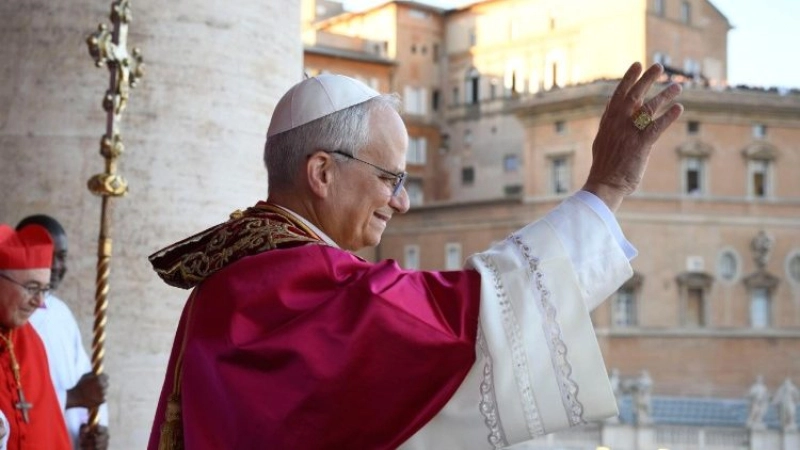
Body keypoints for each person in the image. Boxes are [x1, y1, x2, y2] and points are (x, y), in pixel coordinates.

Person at [147, 61, 683, 449]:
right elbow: (473, 316)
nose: (402, 202)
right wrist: (607, 187)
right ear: (322, 173)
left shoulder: (232, 275)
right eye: (390, 178)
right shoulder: (300, 281)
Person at [15, 215, 110, 450]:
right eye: (49, 255)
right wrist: (73, 397)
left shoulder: (60, 313)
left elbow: (85, 382)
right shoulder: (11, 316)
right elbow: (11, 403)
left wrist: (92, 429)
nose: (57, 265)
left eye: (62, 256)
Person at [0, 224, 71, 449]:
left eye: (44, 290)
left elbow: (51, 430)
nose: (39, 302)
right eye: (32, 288)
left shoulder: (31, 342)